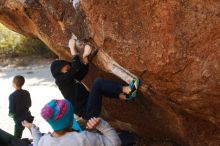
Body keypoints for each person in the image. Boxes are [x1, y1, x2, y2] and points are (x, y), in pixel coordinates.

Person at [50, 37, 140, 120]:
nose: (69, 66)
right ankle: (128, 90)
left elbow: (81, 73)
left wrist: (85, 59)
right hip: (87, 112)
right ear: (59, 69)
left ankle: (126, 96)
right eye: (66, 66)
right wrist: (72, 49)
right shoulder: (60, 80)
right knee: (98, 83)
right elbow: (76, 68)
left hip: (88, 105)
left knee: (100, 88)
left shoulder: (69, 78)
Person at [22, 99, 122, 146]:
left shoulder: (44, 142)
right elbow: (115, 142)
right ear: (70, 119)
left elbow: (37, 143)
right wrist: (102, 125)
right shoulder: (84, 139)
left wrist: (33, 128)